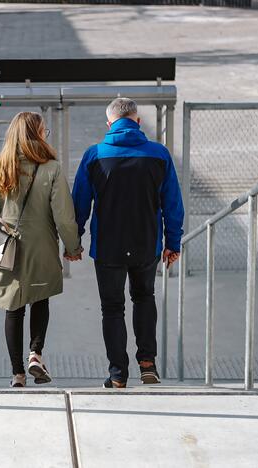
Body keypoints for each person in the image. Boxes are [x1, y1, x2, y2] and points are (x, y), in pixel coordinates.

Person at [70, 97, 184, 389]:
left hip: (108, 247)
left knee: (112, 308)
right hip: (147, 244)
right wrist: (173, 242)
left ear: (109, 124)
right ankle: (147, 364)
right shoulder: (159, 154)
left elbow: (79, 204)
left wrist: (74, 241)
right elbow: (172, 204)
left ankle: (118, 373)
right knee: (144, 298)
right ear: (137, 121)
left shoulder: (94, 155)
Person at [0, 111, 82, 388]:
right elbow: (64, 215)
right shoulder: (51, 168)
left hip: (8, 248)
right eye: (44, 131)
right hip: (42, 246)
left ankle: (17, 374)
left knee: (13, 308)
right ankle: (35, 354)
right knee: (41, 298)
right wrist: (73, 247)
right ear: (37, 135)